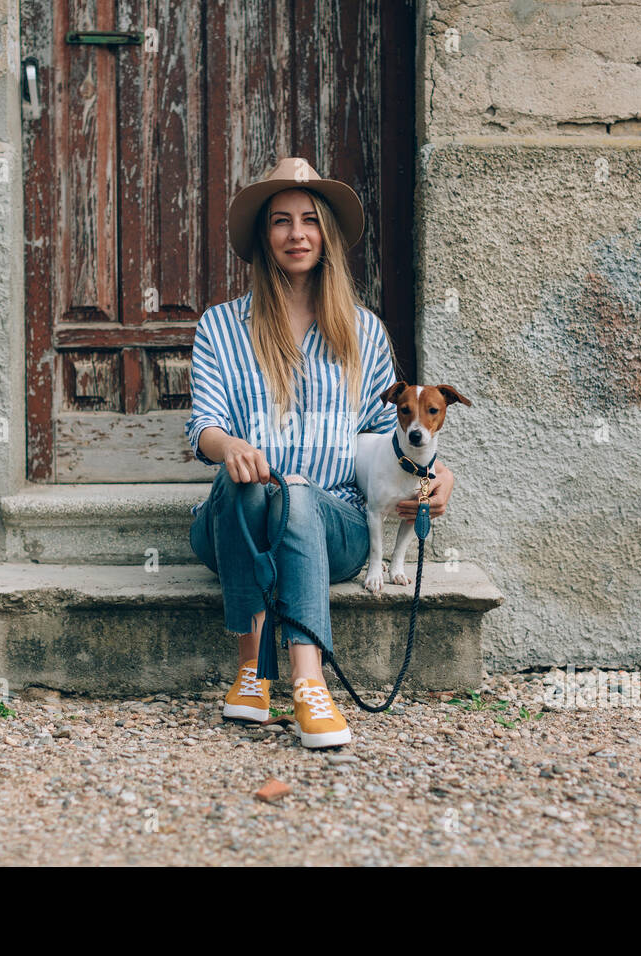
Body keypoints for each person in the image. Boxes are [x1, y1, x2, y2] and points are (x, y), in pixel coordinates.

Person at [185, 157, 455, 748]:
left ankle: (308, 685)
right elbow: (202, 425)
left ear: (326, 234)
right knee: (253, 485)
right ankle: (252, 673)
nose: (297, 234)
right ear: (264, 236)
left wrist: (436, 473)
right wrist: (229, 444)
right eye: (281, 221)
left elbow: (394, 432)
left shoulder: (363, 331)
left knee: (300, 493)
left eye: (309, 220)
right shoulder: (221, 327)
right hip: (236, 520)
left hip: (337, 525)